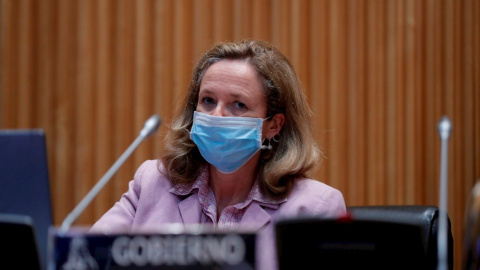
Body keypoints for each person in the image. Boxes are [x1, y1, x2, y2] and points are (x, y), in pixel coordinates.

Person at [90, 40, 346, 269]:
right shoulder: (153, 181)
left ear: (273, 125)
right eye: (208, 101)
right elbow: (85, 257)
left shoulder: (315, 207)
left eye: (238, 105)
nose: (216, 116)